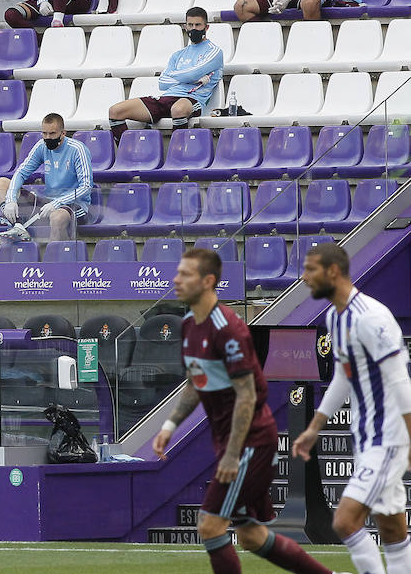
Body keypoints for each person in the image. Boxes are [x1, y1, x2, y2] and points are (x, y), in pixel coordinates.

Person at [153, 249, 337, 574]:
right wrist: (170, 425)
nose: (176, 280)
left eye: (185, 274)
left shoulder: (229, 329)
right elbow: (195, 383)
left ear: (208, 281)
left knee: (210, 526)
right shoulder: (188, 326)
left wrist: (232, 455)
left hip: (249, 442)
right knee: (251, 535)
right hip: (231, 442)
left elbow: (246, 396)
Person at [292, 243, 411, 574]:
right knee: (391, 527)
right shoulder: (334, 317)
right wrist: (314, 426)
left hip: (387, 437)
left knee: (344, 521)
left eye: (310, 269)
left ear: (332, 271)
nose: (304, 277)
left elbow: (402, 383)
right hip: (366, 436)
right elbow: (344, 378)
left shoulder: (371, 318)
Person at [107, 7, 223, 143]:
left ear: (206, 27)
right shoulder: (178, 55)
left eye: (198, 25)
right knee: (115, 111)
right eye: (190, 25)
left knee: (178, 109)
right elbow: (163, 82)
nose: (193, 29)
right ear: (185, 26)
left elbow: (191, 73)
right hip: (167, 97)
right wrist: (194, 78)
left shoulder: (214, 52)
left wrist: (186, 76)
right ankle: (127, 155)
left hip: (191, 99)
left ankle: (179, 157)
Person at [0, 112, 93, 243]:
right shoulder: (41, 145)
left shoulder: (78, 149)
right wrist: (10, 200)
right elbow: (21, 172)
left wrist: (57, 203)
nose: (48, 137)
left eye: (52, 133)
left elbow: (86, 186)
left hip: (74, 205)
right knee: (1, 184)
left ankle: (52, 259)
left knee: (57, 218)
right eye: (44, 133)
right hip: (47, 202)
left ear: (63, 133)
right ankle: (17, 225)